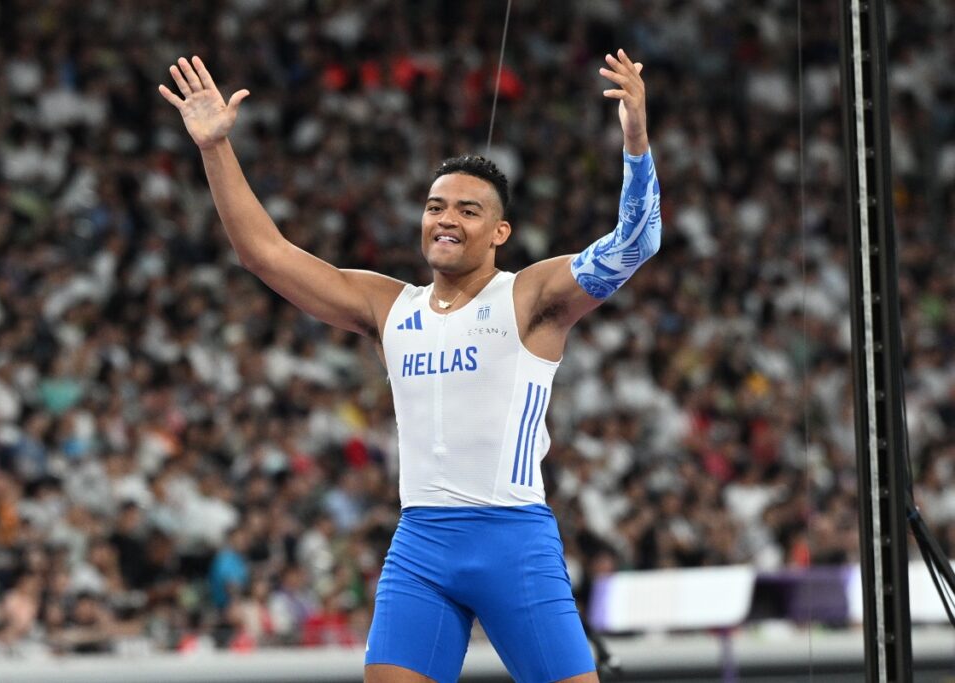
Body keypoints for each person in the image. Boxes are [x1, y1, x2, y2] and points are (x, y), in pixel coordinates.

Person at [159, 47, 660, 683]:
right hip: (421, 547)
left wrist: (635, 141)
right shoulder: (388, 305)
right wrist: (214, 148)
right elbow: (265, 254)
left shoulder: (530, 296)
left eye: (468, 211)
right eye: (435, 206)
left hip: (514, 543)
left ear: (500, 233)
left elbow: (636, 242)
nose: (446, 219)